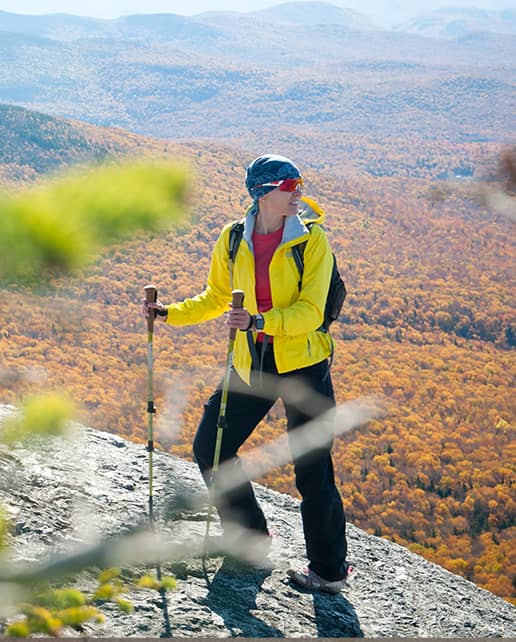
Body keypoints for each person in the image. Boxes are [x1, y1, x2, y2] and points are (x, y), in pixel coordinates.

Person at [142, 154, 350, 593]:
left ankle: (329, 572)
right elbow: (216, 296)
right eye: (288, 185)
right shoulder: (234, 237)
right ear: (262, 192)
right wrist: (168, 313)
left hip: (303, 363)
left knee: (312, 467)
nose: (297, 192)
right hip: (250, 361)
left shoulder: (312, 242)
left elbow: (312, 312)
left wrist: (259, 322)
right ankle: (250, 537)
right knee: (211, 448)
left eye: (299, 182)